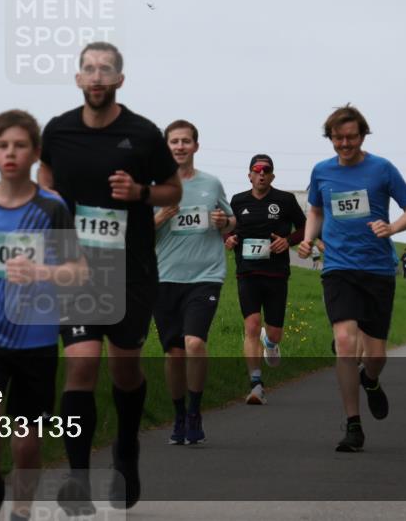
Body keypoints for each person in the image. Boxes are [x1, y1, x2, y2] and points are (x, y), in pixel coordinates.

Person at [38, 42, 181, 511]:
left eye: (106, 70)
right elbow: (46, 177)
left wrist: (140, 191)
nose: (97, 77)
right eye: (89, 69)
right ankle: (77, 477)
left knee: (123, 370)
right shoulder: (58, 130)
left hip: (130, 270)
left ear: (120, 79)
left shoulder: (142, 134)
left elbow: (171, 189)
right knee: (80, 365)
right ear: (78, 78)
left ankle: (126, 449)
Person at [0, 110, 87, 521]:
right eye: (2, 145)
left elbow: (78, 270)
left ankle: (22, 510)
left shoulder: (52, 208)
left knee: (27, 442)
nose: (10, 153)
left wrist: (41, 272)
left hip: (36, 338)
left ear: (34, 153)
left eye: (19, 145)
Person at [298, 104, 406, 452]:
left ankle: (371, 379)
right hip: (338, 268)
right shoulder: (321, 171)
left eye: (351, 137)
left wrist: (392, 227)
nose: (345, 144)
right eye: (338, 138)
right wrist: (308, 239)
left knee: (376, 355)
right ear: (331, 138)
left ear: (362, 135)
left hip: (378, 269)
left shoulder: (382, 168)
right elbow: (316, 209)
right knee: (346, 342)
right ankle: (353, 425)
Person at [153, 120, 234, 442]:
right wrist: (159, 217)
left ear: (195, 146)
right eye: (174, 141)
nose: (180, 146)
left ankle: (196, 411)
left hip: (206, 276)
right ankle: (178, 416)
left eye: (186, 141)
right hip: (165, 277)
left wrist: (224, 221)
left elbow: (231, 222)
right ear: (166, 147)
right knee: (173, 353)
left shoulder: (211, 184)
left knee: (195, 343)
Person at [224, 154, 305, 405]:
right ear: (249, 175)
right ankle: (256, 384)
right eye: (256, 170)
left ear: (272, 175)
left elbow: (305, 227)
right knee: (251, 325)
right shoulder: (238, 201)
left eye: (266, 170)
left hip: (276, 273)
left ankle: (270, 342)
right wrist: (228, 239)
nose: (261, 174)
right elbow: (227, 229)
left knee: (275, 332)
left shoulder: (285, 200)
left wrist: (288, 241)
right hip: (247, 272)